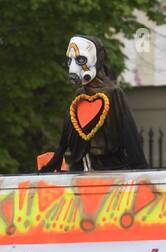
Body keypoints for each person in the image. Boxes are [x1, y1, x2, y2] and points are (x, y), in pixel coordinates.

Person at [37, 34, 147, 173]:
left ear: (98, 58)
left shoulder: (113, 94)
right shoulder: (80, 96)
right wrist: (53, 165)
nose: (73, 67)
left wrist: (142, 173)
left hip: (113, 169)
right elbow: (65, 139)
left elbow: (129, 135)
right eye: (69, 60)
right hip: (83, 169)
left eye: (80, 59)